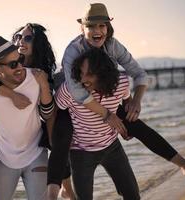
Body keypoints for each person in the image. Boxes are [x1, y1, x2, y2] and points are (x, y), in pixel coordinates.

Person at [47, 2, 185, 198]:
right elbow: (77, 89)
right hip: (72, 91)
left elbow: (139, 74)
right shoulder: (73, 51)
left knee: (135, 124)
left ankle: (183, 164)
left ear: (108, 27)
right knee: (62, 137)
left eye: (102, 25)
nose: (97, 30)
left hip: (105, 88)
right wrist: (108, 115)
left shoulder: (112, 46)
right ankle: (62, 188)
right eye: (91, 26)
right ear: (82, 29)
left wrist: (135, 102)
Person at [0, 23, 76, 199]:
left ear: (38, 44)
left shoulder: (41, 71)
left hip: (32, 117)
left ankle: (66, 187)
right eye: (17, 37)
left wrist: (52, 137)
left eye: (28, 38)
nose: (21, 41)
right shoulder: (5, 59)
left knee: (59, 137)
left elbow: (47, 110)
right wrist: (10, 94)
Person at [0, 36, 54, 199]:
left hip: (35, 154)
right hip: (4, 159)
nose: (20, 67)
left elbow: (48, 114)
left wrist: (43, 86)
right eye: (13, 64)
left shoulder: (35, 78)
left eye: (20, 59)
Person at [56, 48, 140, 199]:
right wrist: (61, 142)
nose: (82, 80)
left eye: (89, 74)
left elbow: (127, 99)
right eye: (81, 73)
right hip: (81, 152)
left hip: (112, 147)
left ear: (103, 73)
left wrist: (126, 126)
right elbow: (55, 112)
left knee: (132, 195)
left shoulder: (121, 82)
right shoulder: (70, 90)